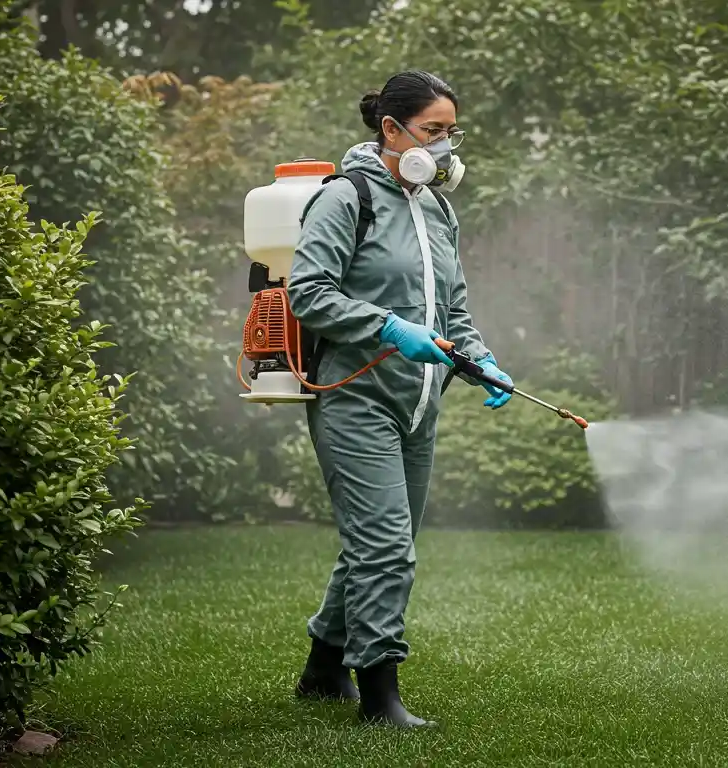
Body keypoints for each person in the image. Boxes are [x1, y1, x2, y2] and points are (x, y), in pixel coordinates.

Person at [285, 70, 513, 729]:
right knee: (386, 545)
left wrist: (480, 361)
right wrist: (386, 326)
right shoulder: (344, 198)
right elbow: (310, 293)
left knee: (383, 539)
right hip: (355, 394)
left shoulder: (438, 209)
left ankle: (323, 668)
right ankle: (380, 695)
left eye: (452, 132)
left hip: (420, 401)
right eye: (433, 131)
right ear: (392, 129)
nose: (445, 146)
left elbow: (453, 310)